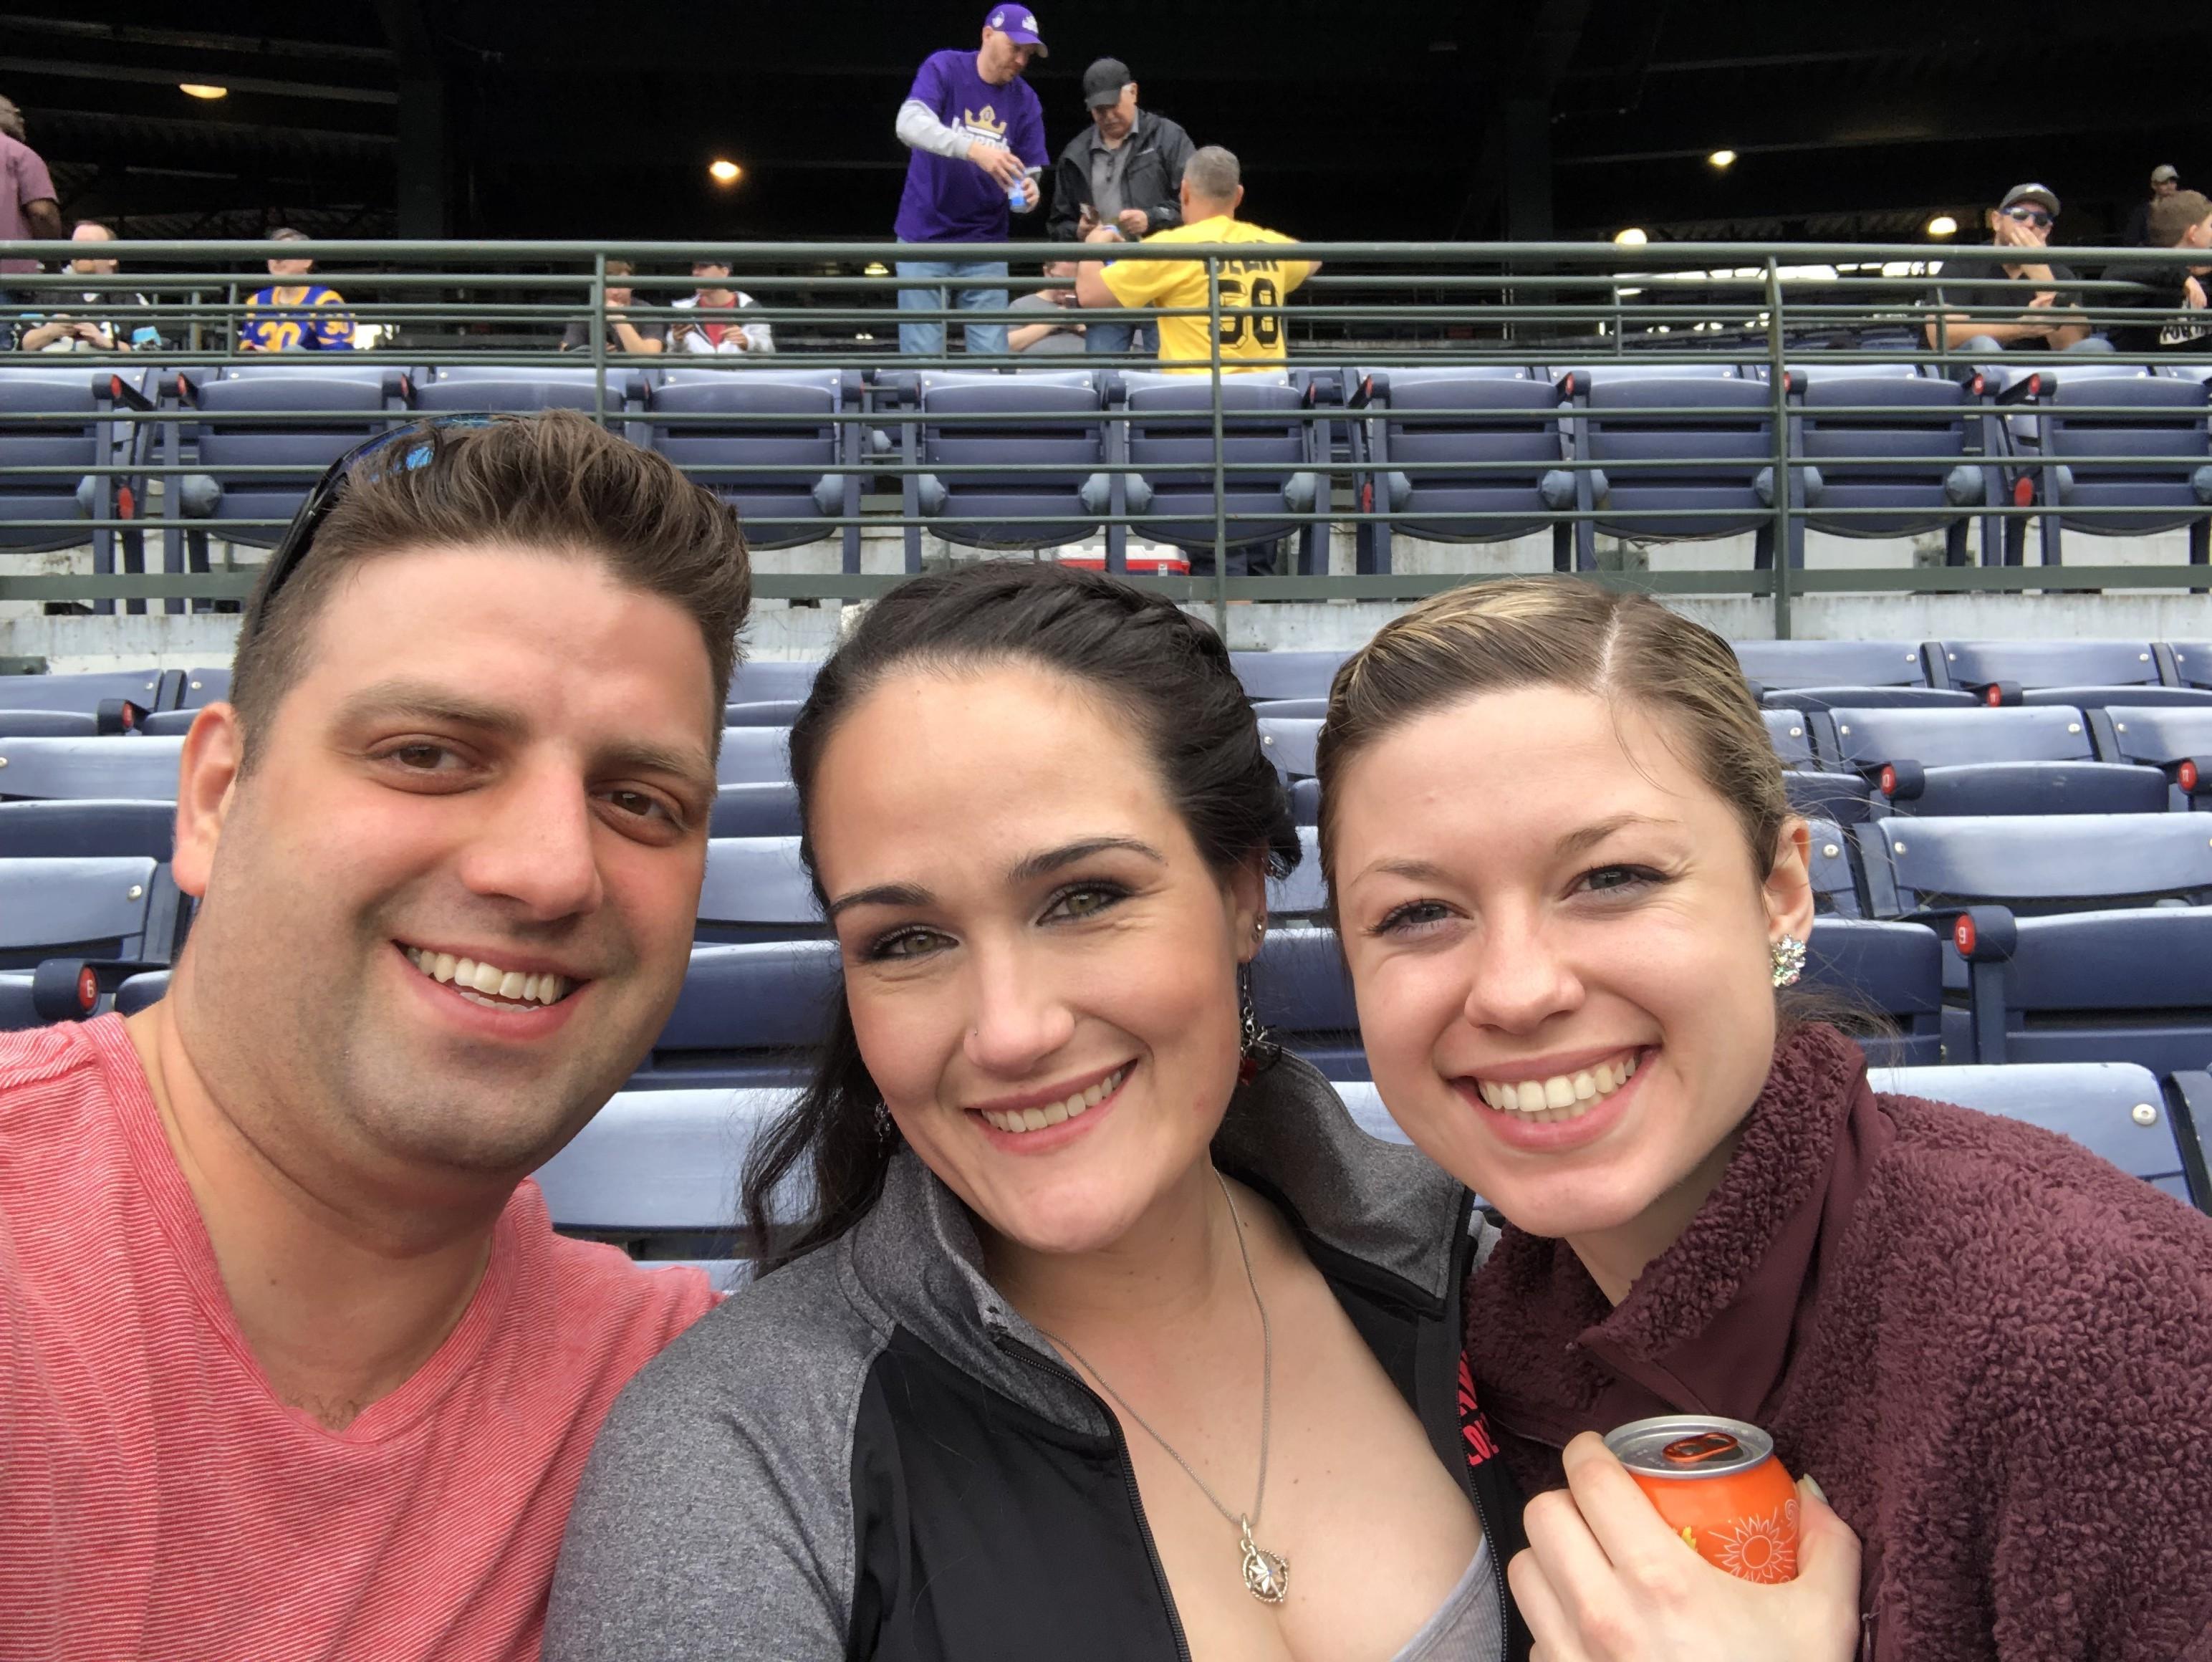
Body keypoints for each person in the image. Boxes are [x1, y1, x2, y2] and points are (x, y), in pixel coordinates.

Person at [546, 562, 1863, 1662]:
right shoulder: (736, 1452)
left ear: (1243, 895)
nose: (1009, 1029)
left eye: (1083, 900)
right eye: (906, 941)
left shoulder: (1491, 1272)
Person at [1314, 579, 2212, 1662]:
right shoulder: (1441, 1349)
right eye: (1418, 913)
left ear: (1782, 891)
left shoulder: (2110, 1335)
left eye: (1611, 877)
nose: (1515, 990)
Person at [0, 409, 754, 1661]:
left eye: (638, 800)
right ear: (215, 800)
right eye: (428, 755)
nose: (550, 870)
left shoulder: (691, 1401)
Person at [1074, 145, 1317, 373]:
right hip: (1268, 394)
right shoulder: (1269, 244)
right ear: (1238, 196)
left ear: (1185, 192)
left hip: (1195, 395)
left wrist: (1093, 246)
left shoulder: (1168, 248)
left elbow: (1090, 295)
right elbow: (1314, 259)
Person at [891, 7, 1049, 359]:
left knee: (991, 361)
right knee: (922, 362)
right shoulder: (945, 67)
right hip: (924, 235)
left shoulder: (1026, 99)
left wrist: (1031, 192)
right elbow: (908, 124)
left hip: (986, 242)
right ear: (987, 35)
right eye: (1015, 48)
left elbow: (1030, 172)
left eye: (1028, 54)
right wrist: (975, 150)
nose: (1022, 60)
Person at [1047, 57, 1194, 357]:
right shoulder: (1075, 154)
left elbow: (1196, 207)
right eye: (1099, 110)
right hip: (1107, 280)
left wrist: (1151, 218)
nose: (1109, 115)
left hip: (1162, 276)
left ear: (1133, 92)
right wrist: (1079, 232)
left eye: (1114, 105)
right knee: (1102, 368)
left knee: (1164, 369)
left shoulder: (1169, 137)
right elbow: (1057, 225)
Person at [1922, 183, 2101, 354]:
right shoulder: (1964, 263)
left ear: (2047, 230)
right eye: (2020, 215)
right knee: (1983, 345)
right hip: (1977, 370)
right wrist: (2020, 328)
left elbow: (2071, 344)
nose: (2030, 224)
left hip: (2040, 371)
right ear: (1997, 221)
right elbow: (1942, 335)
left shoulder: (2059, 273)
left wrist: (2041, 276)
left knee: (2097, 347)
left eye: (2041, 220)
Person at [9, 221, 165, 352]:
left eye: (89, 245)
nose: (81, 251)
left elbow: (151, 351)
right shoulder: (48, 292)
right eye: (76, 246)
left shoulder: (131, 299)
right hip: (47, 375)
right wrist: (51, 331)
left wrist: (108, 344)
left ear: (112, 257)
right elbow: (18, 344)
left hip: (106, 375)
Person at [2101, 189, 2212, 357]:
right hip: (2146, 367)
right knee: (2095, 347)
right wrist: (2183, 277)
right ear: (2193, 233)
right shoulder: (2146, 262)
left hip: (2200, 367)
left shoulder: (2206, 266)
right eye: (2211, 226)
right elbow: (2111, 275)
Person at [239, 227, 355, 352]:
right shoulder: (256, 301)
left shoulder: (326, 301)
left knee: (293, 350)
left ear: (307, 261)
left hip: (306, 365)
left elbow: (339, 354)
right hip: (263, 365)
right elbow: (246, 351)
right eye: (272, 254)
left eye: (285, 253)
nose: (277, 260)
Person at [0, 93, 64, 307]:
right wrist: (53, 264)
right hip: (6, 280)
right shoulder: (19, 154)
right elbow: (43, 213)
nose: (22, 120)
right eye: (15, 113)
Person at [668, 257, 775, 355]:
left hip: (738, 371)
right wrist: (677, 341)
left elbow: (769, 351)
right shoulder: (682, 310)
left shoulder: (750, 307)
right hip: (698, 371)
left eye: (704, 266)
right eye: (694, 268)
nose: (695, 272)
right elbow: (672, 360)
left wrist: (747, 342)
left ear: (724, 272)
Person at [560, 257, 666, 355]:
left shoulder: (648, 312)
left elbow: (651, 357)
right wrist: (595, 353)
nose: (615, 292)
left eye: (621, 285)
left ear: (632, 285)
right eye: (609, 285)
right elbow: (567, 354)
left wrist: (618, 318)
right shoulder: (585, 314)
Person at [1006, 256, 1085, 353]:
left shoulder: (1089, 303)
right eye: (1059, 279)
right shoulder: (1021, 305)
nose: (1065, 288)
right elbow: (1007, 345)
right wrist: (1052, 322)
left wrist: (1084, 330)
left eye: (1072, 281)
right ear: (1046, 272)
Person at [2122, 163, 2181, 248]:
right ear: (2154, 185)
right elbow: (2131, 243)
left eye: (2172, 182)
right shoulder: (2142, 213)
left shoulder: (2183, 210)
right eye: (2164, 183)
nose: (2169, 187)